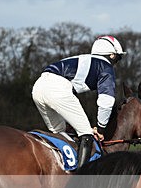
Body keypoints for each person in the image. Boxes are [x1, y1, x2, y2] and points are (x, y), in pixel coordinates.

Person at [31, 35, 126, 169]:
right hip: (57, 88)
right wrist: (100, 128)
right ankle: (81, 178)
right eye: (118, 58)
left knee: (60, 133)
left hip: (38, 87)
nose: (116, 62)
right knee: (86, 133)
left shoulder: (82, 58)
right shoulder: (105, 67)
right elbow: (107, 101)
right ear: (111, 55)